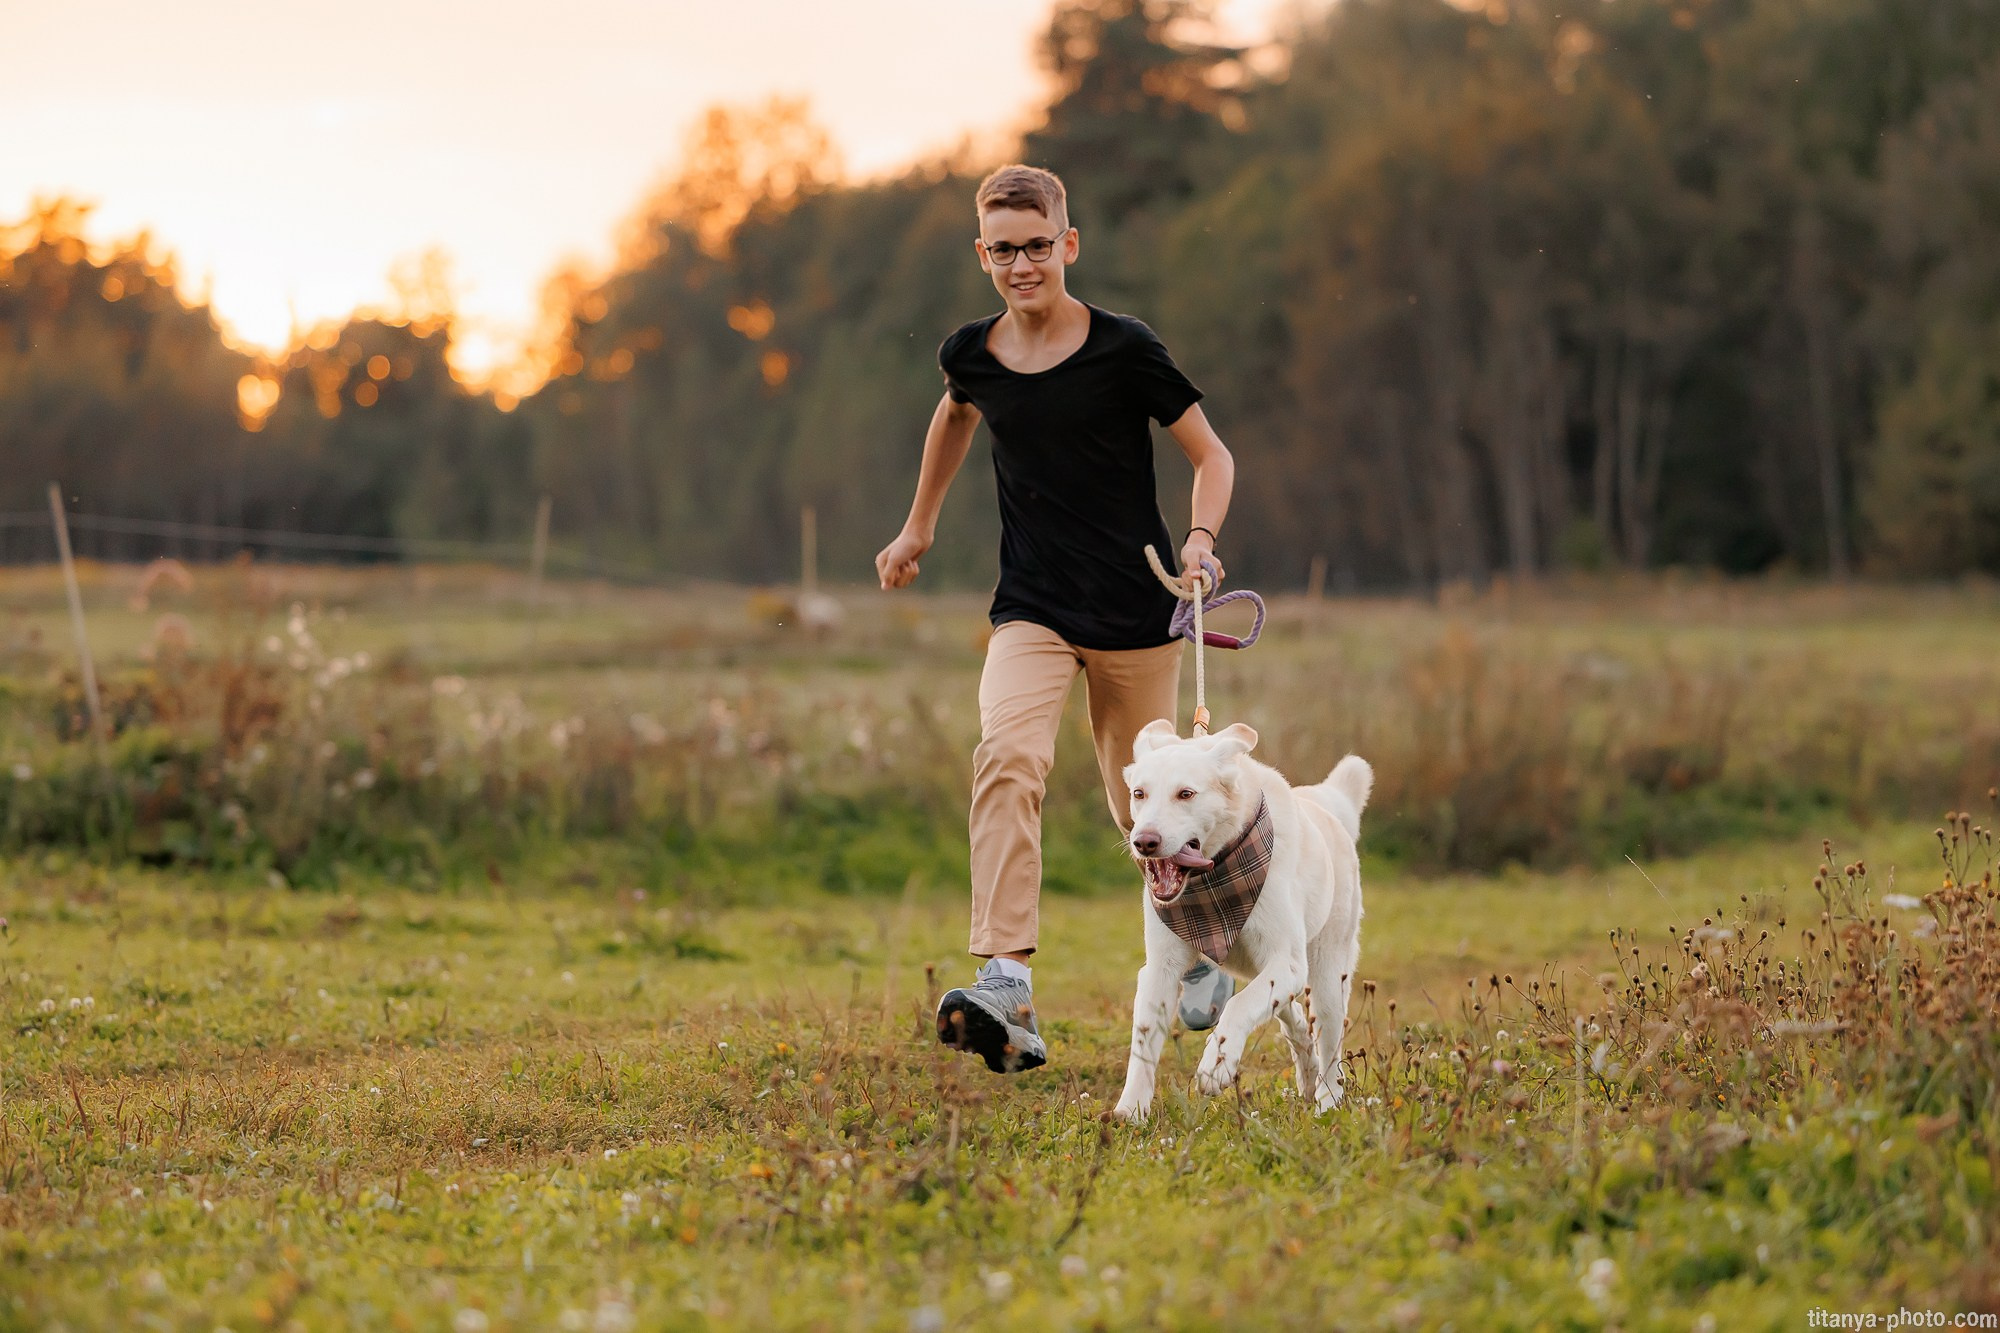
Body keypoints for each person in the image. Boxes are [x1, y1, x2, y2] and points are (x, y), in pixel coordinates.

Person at [874, 164, 1237, 1074]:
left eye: (1039, 245)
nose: (1023, 264)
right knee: (1006, 755)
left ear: (1067, 244)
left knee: (1143, 809)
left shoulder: (1125, 349)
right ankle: (1006, 978)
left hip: (1135, 612)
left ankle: (1201, 937)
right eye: (1005, 249)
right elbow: (954, 416)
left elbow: (1211, 453)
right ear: (983, 255)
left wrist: (1198, 539)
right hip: (1031, 607)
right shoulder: (971, 352)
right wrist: (918, 525)